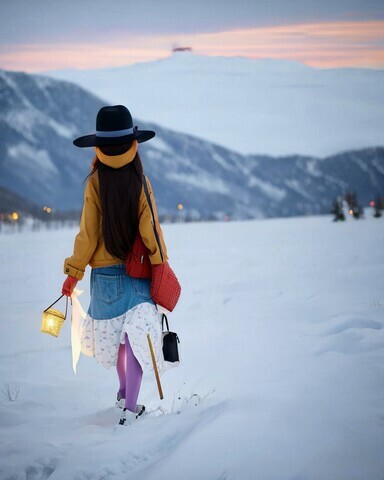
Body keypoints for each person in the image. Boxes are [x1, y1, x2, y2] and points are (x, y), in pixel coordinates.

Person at [62, 105, 168, 426]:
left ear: (99, 147)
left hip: (104, 279)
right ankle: (131, 407)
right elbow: (151, 229)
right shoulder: (140, 179)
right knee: (136, 341)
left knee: (121, 342)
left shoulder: (95, 182)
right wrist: (161, 265)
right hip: (137, 274)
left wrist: (73, 273)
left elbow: (88, 234)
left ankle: (123, 395)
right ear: (133, 144)